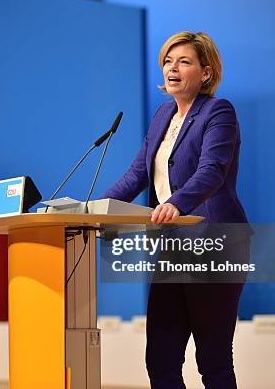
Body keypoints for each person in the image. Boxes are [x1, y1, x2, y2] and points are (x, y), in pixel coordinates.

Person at [102, 31, 249, 389]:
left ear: (206, 72)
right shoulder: (162, 116)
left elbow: (211, 171)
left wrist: (174, 203)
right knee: (161, 359)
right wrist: (94, 209)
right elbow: (138, 174)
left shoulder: (218, 112)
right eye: (168, 61)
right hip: (172, 249)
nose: (173, 68)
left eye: (184, 61)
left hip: (214, 243)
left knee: (212, 361)